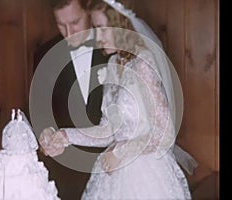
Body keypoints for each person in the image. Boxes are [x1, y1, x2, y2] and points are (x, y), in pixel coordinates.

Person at [39, 0, 193, 199]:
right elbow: (109, 130)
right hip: (114, 172)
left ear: (120, 25)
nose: (98, 36)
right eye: (95, 28)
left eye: (102, 28)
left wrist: (121, 152)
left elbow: (165, 133)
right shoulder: (112, 64)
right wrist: (66, 136)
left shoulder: (142, 63)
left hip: (146, 174)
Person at [33, 0, 109, 199]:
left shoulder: (113, 47)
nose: (69, 33)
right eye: (60, 24)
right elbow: (41, 110)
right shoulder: (44, 54)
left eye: (75, 22)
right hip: (66, 172)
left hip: (112, 167)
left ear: (89, 12)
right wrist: (45, 134)